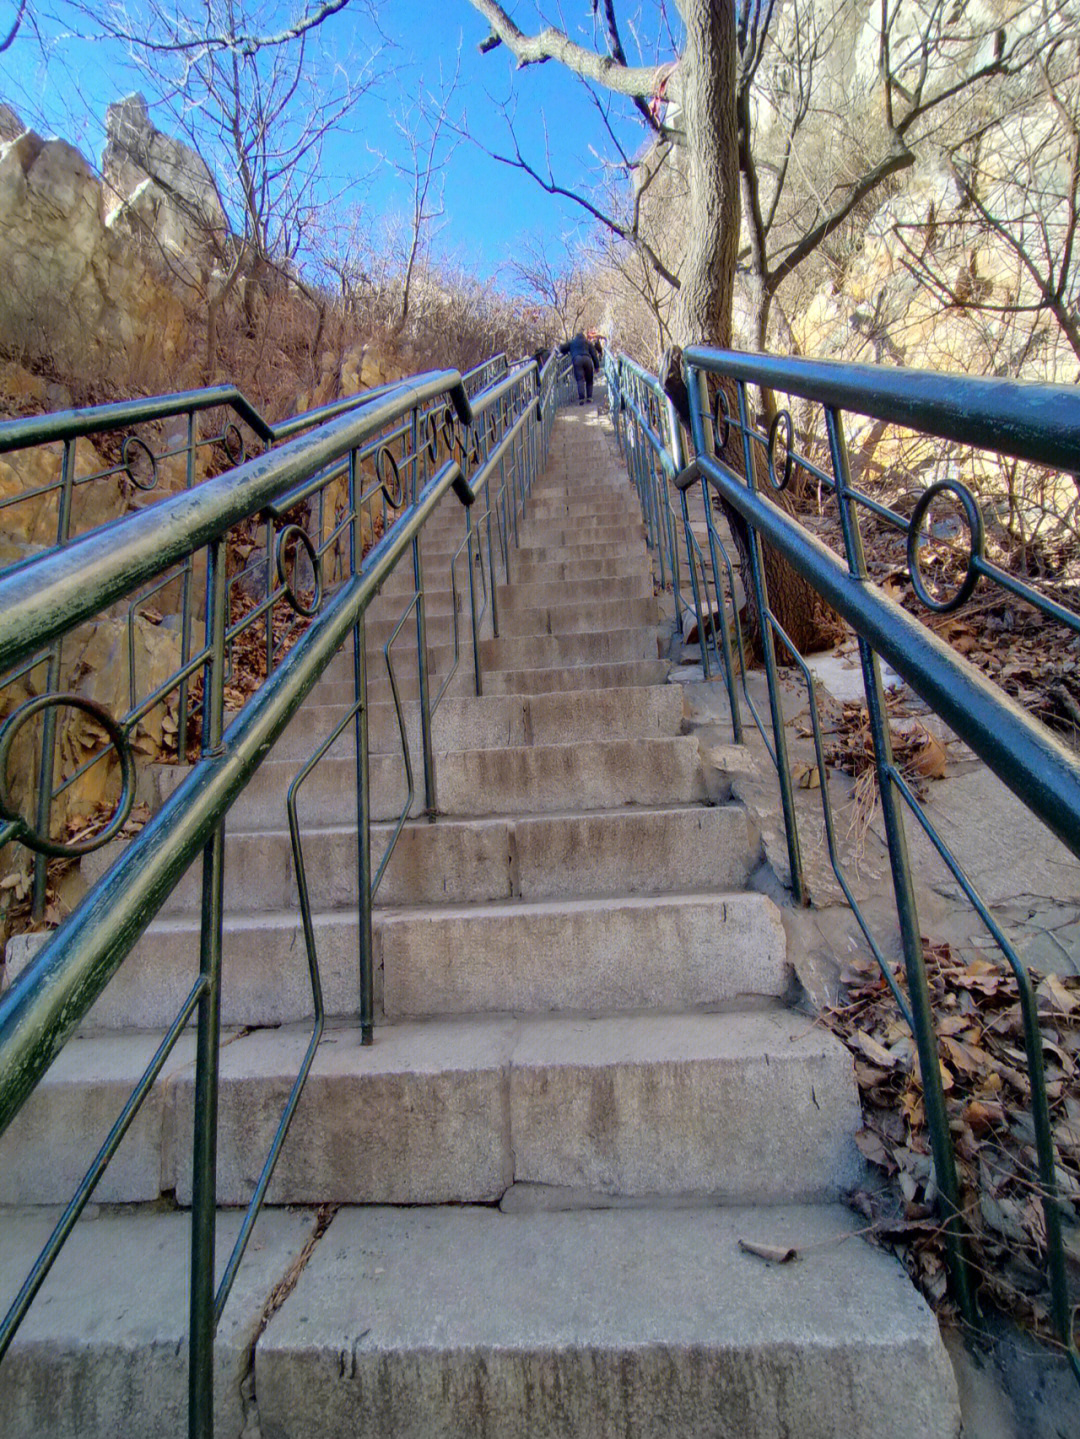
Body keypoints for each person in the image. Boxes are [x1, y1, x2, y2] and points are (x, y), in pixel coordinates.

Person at [559, 332, 601, 404]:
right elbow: (594, 355)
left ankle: (581, 398)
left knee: (580, 379)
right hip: (587, 360)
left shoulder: (572, 342)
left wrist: (567, 351)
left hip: (577, 360)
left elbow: (562, 348)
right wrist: (597, 366)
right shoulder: (588, 343)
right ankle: (589, 398)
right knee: (589, 380)